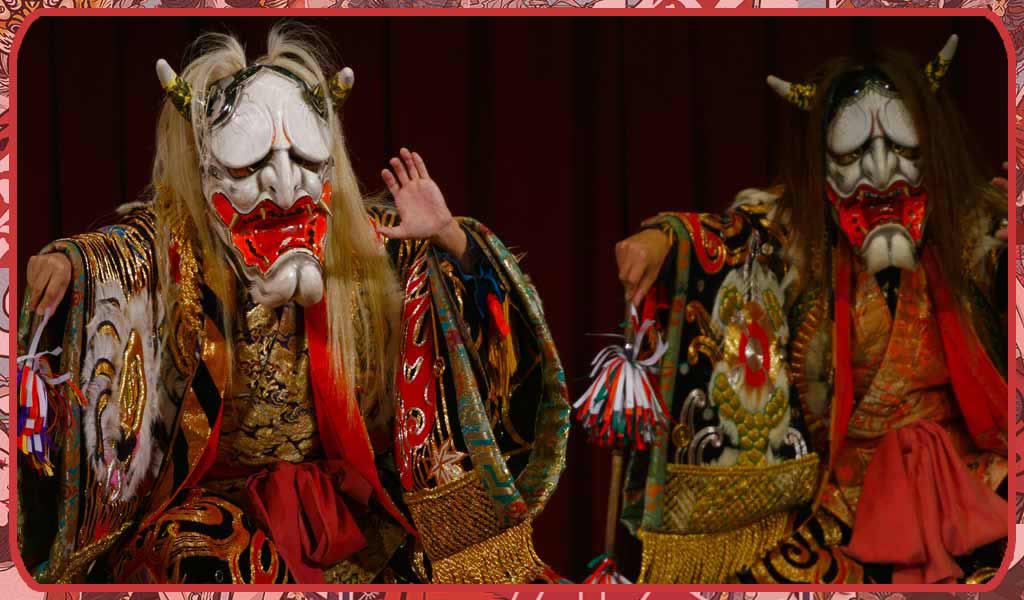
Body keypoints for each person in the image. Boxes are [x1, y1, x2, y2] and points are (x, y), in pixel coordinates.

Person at [17, 23, 569, 585]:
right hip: (215, 502)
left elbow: (491, 327)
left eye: (306, 163)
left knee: (433, 569)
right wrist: (68, 262)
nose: (285, 188)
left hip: (343, 498)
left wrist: (450, 238)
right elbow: (126, 250)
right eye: (250, 168)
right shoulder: (179, 251)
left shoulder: (366, 250)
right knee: (204, 561)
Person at [612, 35, 1008, 584]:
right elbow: (733, 236)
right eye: (851, 156)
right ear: (823, 169)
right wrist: (667, 239)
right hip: (848, 501)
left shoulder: (979, 229)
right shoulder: (797, 235)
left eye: (902, 149)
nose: (880, 173)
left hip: (977, 487)